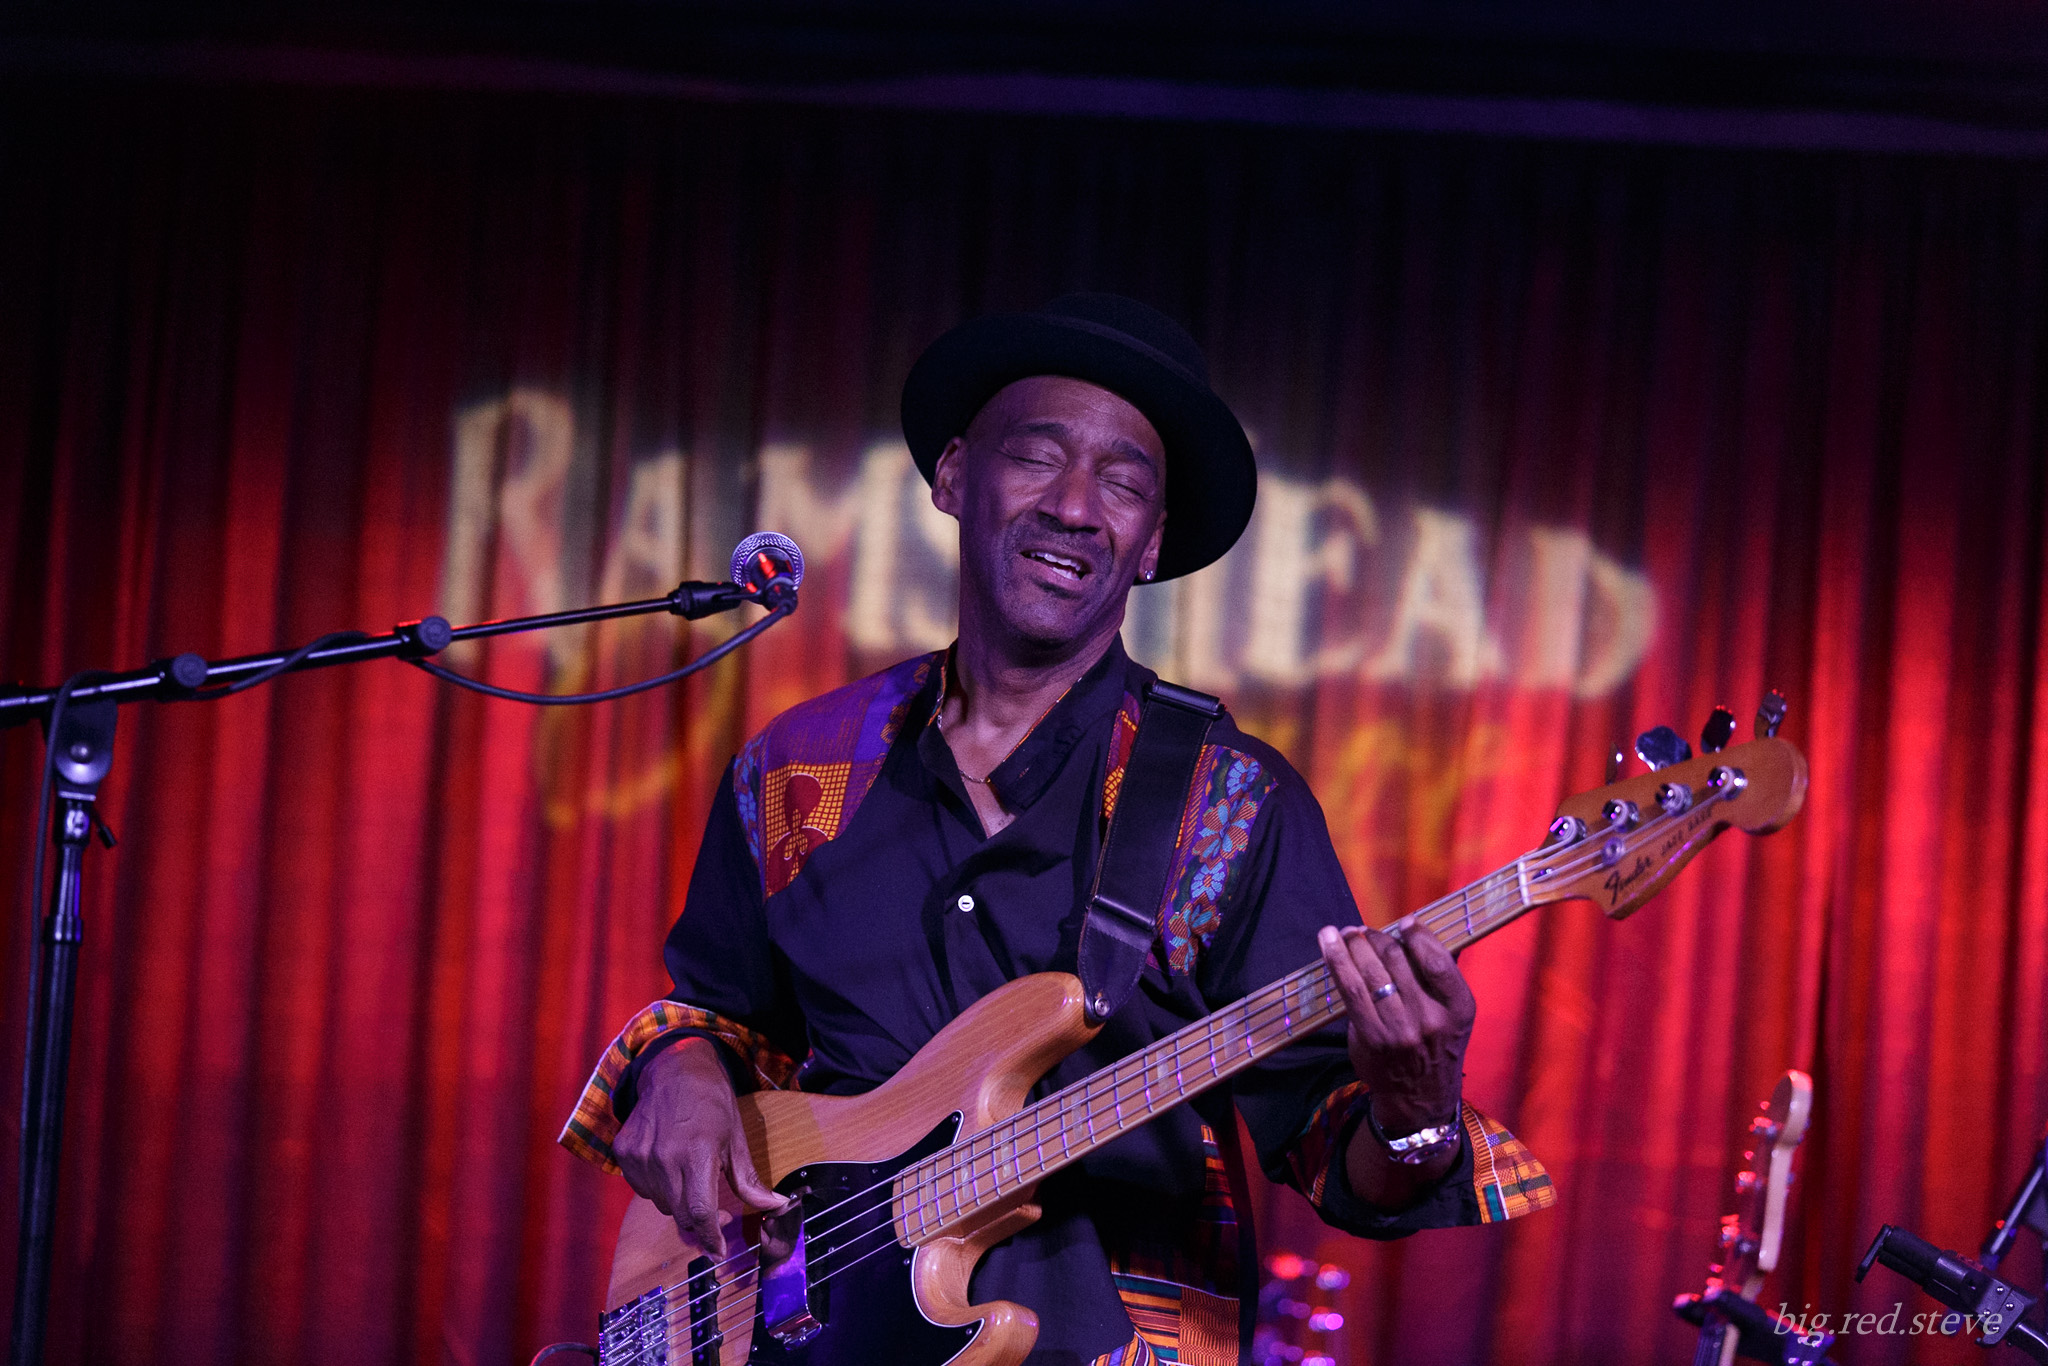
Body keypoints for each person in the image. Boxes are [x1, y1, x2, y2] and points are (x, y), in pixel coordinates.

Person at [560, 294, 1552, 1366]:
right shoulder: (799, 764)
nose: (1075, 505)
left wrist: (1415, 1109)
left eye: (1122, 483)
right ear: (952, 477)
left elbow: (1335, 1144)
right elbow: (718, 1012)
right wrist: (683, 1069)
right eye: (1037, 457)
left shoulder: (1229, 801)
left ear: (1150, 543)